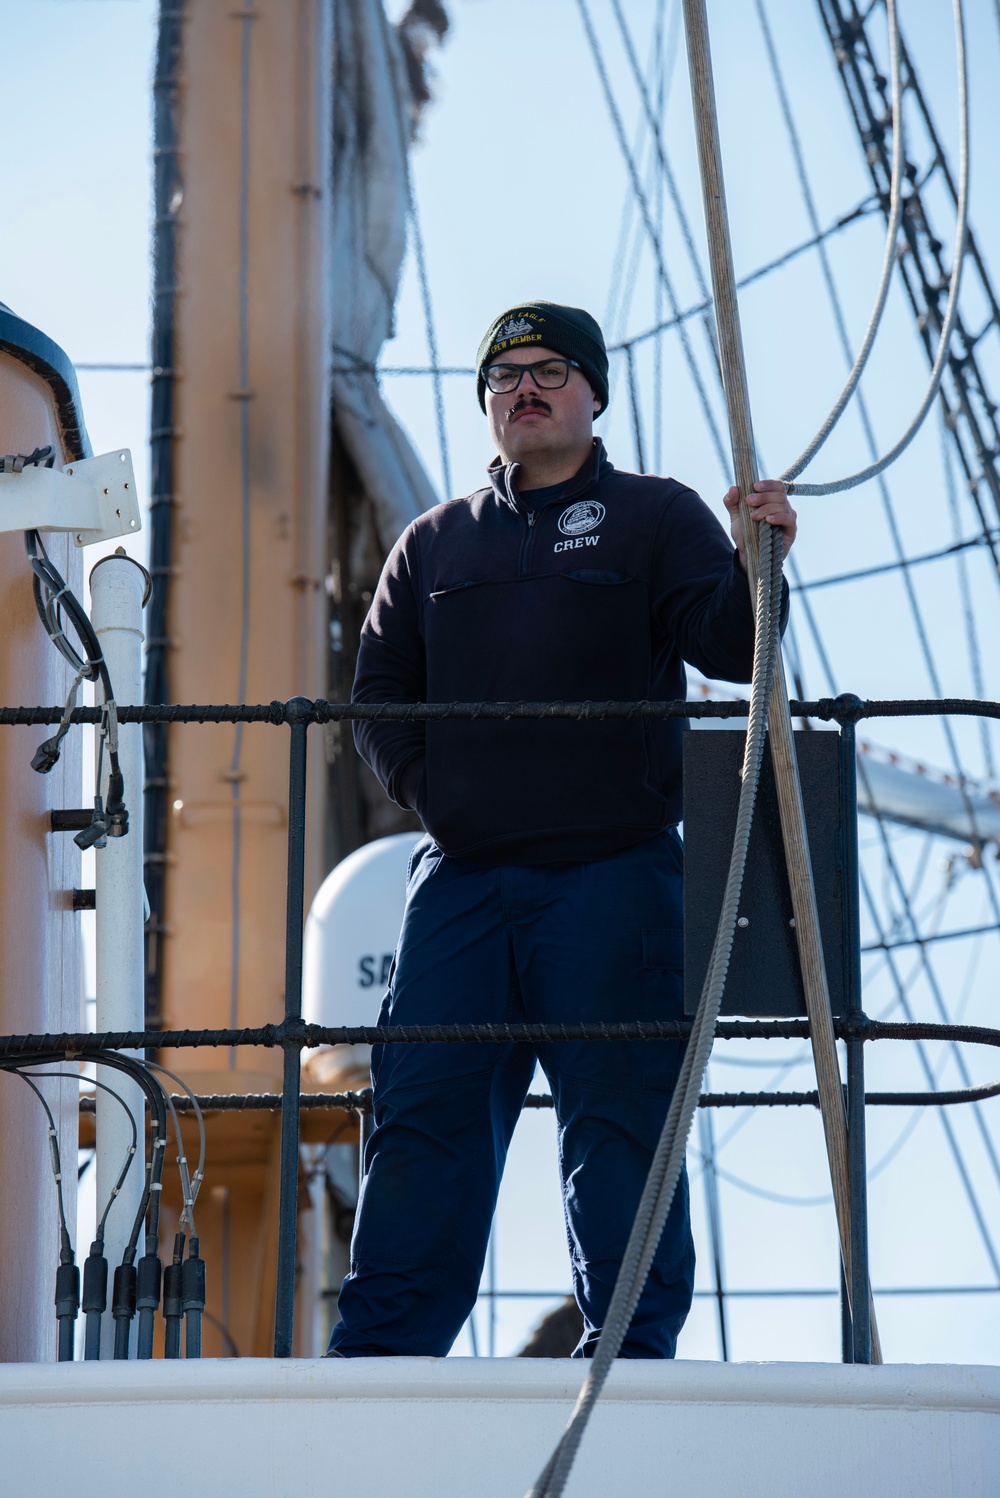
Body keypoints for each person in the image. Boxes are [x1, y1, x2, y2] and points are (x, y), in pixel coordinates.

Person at [327, 300, 796, 1359]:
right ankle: (381, 1367)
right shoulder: (433, 543)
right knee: (424, 1128)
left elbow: (730, 644)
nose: (524, 389)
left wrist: (755, 560)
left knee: (620, 1125)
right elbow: (379, 695)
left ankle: (628, 1352)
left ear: (594, 393)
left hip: (614, 878)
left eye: (548, 370)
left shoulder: (653, 516)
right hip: (462, 884)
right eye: (503, 377)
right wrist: (434, 793)